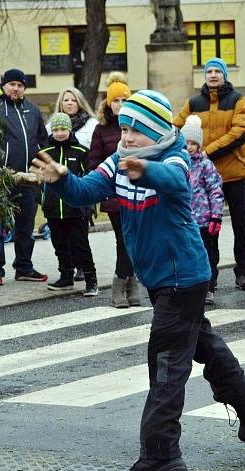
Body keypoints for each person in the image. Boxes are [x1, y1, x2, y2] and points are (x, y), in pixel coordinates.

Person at [31, 90, 245, 471]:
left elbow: (176, 181)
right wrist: (62, 181)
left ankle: (161, 457)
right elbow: (87, 191)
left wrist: (147, 169)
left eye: (134, 130)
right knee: (201, 344)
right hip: (160, 279)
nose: (125, 137)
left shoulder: (174, 155)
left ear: (155, 130)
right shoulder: (119, 160)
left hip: (184, 279)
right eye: (123, 128)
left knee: (164, 366)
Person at [174, 57, 245, 291]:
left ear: (224, 75)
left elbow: (240, 132)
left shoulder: (238, 100)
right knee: (207, 229)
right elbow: (176, 127)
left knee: (241, 225)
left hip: (234, 174)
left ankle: (244, 271)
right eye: (208, 71)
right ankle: (210, 274)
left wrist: (206, 151)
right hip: (202, 179)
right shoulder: (193, 103)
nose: (212, 75)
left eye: (217, 71)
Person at [0, 68, 48, 286]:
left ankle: (24, 267)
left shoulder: (32, 110)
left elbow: (42, 140)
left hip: (27, 179)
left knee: (25, 228)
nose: (16, 88)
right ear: (3, 85)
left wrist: (39, 167)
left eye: (20, 85)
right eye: (12, 84)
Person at [89, 72, 139, 307]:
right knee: (123, 240)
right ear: (109, 103)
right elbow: (94, 163)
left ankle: (132, 283)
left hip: (137, 192)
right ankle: (120, 286)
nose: (120, 104)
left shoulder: (134, 126)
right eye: (116, 100)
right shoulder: (102, 129)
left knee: (134, 239)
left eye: (124, 100)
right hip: (113, 195)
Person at [41, 112, 98, 296]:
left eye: (63, 129)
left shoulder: (81, 152)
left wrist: (87, 203)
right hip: (53, 209)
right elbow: (38, 178)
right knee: (60, 245)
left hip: (75, 209)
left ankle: (91, 280)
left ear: (69, 129)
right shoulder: (45, 153)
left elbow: (89, 177)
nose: (59, 133)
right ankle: (66, 276)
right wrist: (41, 199)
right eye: (56, 129)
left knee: (80, 245)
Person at [181, 115, 223, 305]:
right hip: (185, 220)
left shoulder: (206, 165)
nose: (189, 147)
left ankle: (210, 286)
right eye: (186, 143)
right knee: (188, 254)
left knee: (208, 253)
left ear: (199, 145)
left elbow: (215, 190)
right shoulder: (179, 165)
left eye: (193, 143)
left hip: (205, 220)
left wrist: (216, 216)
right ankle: (190, 285)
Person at [47, 87, 98, 152]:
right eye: (66, 100)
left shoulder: (93, 124)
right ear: (60, 103)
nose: (70, 103)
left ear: (80, 102)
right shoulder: (50, 126)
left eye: (74, 100)